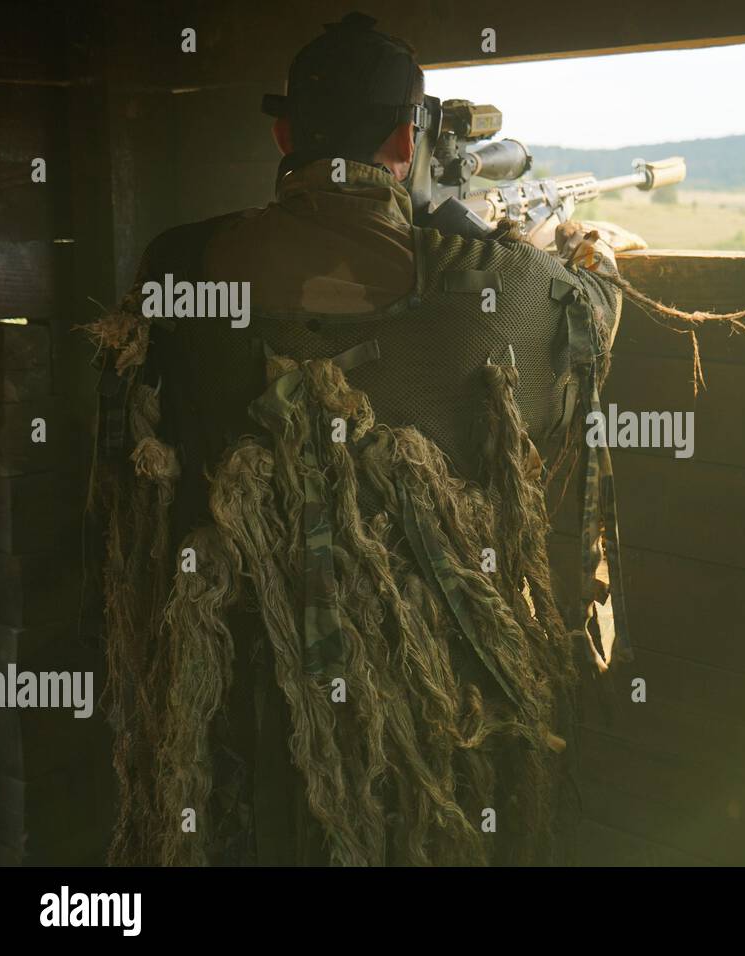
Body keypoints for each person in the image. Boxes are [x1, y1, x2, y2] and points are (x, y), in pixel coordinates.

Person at [84, 11, 640, 866]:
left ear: (282, 133)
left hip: (226, 664)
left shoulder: (179, 261)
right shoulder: (494, 282)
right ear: (405, 138)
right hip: (429, 688)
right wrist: (552, 243)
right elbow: (585, 327)